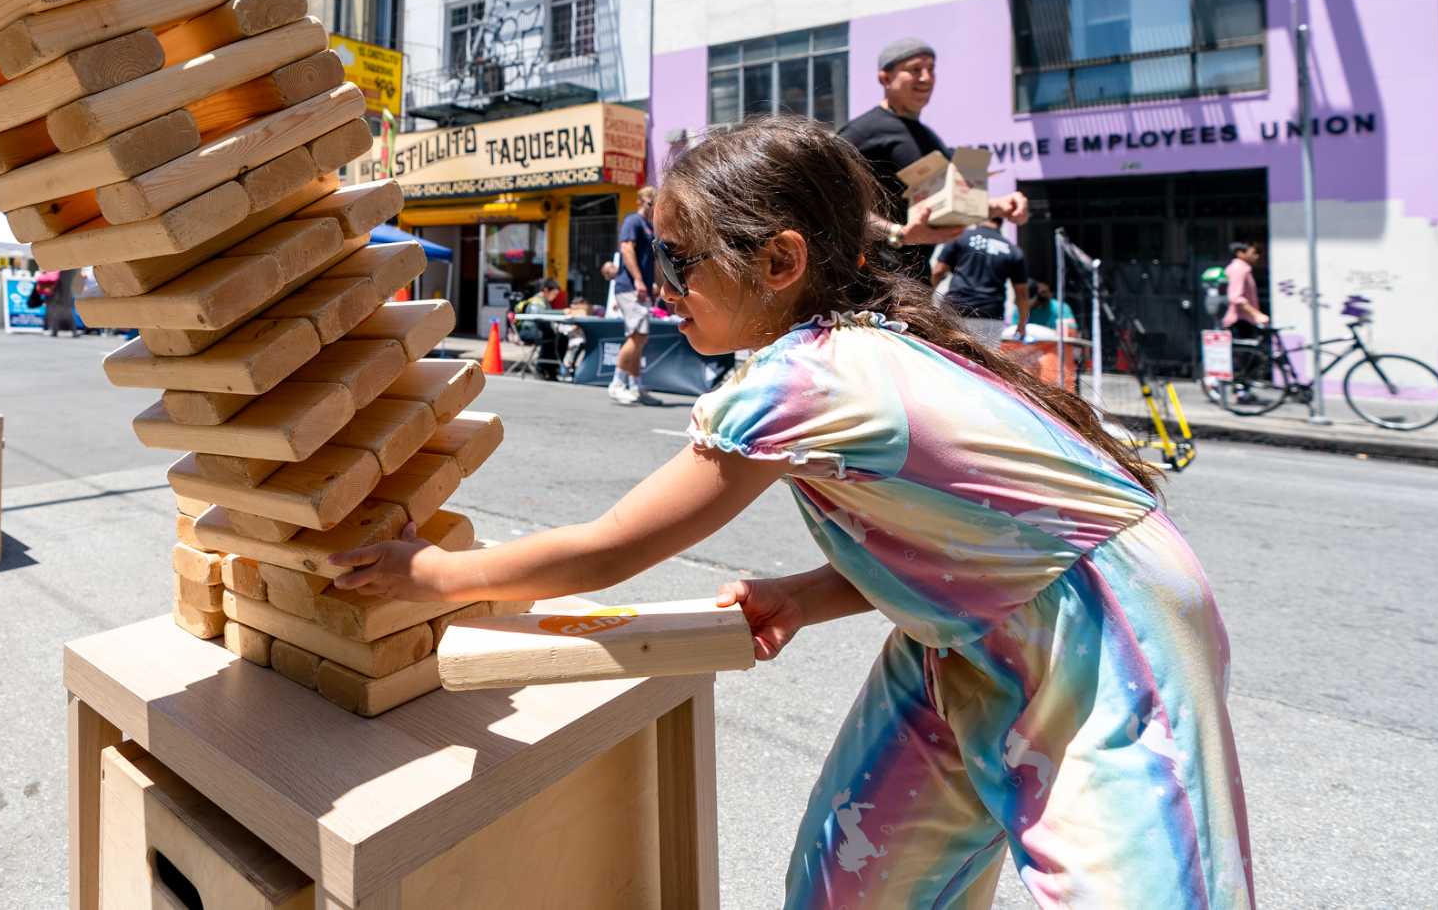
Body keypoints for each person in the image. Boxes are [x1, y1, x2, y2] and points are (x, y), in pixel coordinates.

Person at [330, 117, 1249, 907]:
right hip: (968, 634)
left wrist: (432, 573)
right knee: (851, 876)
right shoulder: (853, 349)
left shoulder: (804, 378)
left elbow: (610, 547)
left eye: (678, 260)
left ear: (778, 261)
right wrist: (808, 595)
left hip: (1110, 640)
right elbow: (962, 539)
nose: (659, 286)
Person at [837, 38, 1029, 278]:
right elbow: (832, 202)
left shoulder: (931, 139)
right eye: (915, 69)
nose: (926, 77)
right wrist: (897, 233)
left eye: (931, 69)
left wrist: (1000, 206)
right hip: (870, 277)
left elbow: (952, 205)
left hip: (916, 277)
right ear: (885, 78)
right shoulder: (861, 132)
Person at [930, 214, 1030, 348]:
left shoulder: (960, 237)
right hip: (990, 315)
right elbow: (1022, 293)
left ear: (979, 218)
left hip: (956, 309)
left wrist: (930, 296)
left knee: (951, 356)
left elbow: (938, 271)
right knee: (984, 359)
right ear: (1001, 223)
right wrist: (1022, 324)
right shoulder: (1013, 250)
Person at [608, 186, 657, 405]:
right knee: (637, 335)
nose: (653, 207)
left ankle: (636, 386)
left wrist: (654, 284)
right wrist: (638, 279)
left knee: (640, 338)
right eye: (650, 202)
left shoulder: (650, 227)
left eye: (655, 203)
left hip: (640, 288)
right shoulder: (633, 221)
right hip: (630, 287)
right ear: (639, 201)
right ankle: (617, 384)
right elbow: (626, 249)